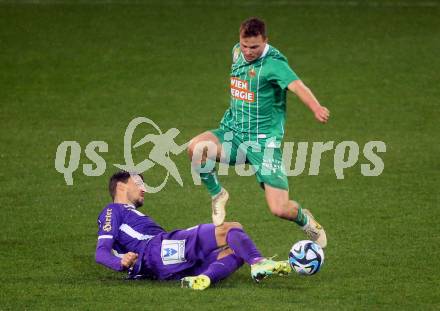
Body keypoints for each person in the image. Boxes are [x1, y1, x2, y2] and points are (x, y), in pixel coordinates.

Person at [188, 17, 329, 248]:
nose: (248, 51)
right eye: (244, 45)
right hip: (233, 132)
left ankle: (306, 220)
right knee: (196, 148)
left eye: (254, 47)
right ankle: (218, 194)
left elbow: (297, 86)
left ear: (266, 41)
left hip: (263, 144)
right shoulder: (236, 52)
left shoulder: (274, 65)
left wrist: (316, 108)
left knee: (280, 209)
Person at [95, 171, 291, 290]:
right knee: (232, 228)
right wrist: (119, 262)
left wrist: (125, 261)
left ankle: (204, 278)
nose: (144, 188)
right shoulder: (113, 210)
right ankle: (259, 262)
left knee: (237, 250)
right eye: (138, 182)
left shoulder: (129, 215)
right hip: (155, 249)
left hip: (161, 267)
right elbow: (101, 252)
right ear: (121, 186)